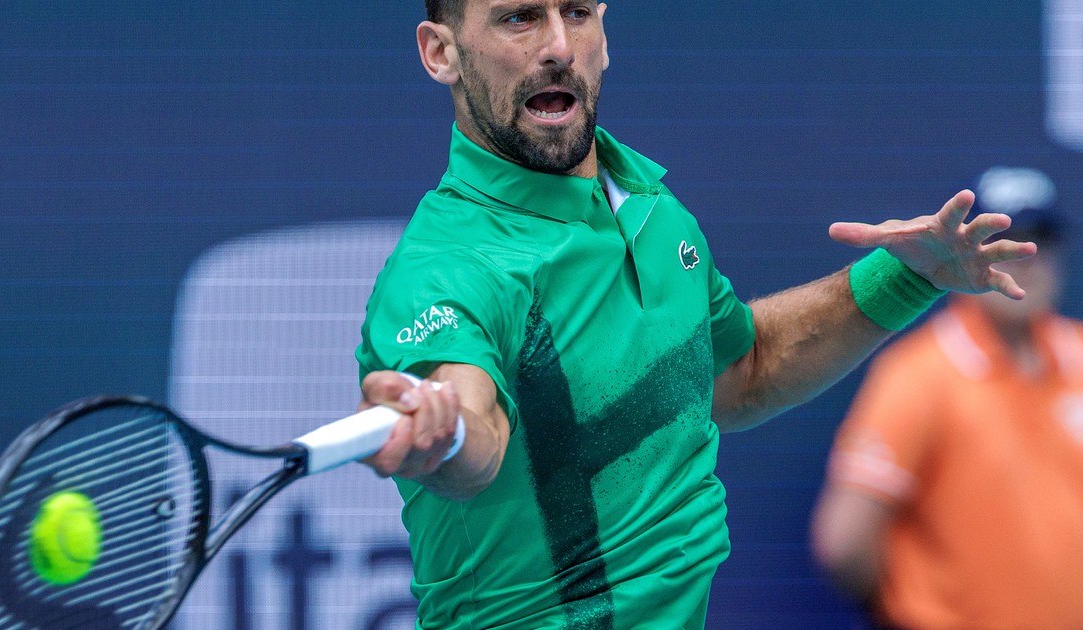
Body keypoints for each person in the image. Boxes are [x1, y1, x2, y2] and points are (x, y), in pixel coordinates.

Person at [353, 2, 1036, 628]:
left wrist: (908, 277)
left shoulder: (647, 206)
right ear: (441, 53)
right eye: (519, 18)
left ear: (604, 34)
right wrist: (442, 432)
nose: (558, 45)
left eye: (577, 12)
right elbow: (474, 432)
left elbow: (741, 373)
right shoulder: (445, 270)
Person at [810, 167, 1083, 630]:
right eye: (1005, 244)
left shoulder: (1078, 354)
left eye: (1040, 243)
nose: (1026, 259)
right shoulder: (920, 375)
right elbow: (845, 543)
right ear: (967, 255)